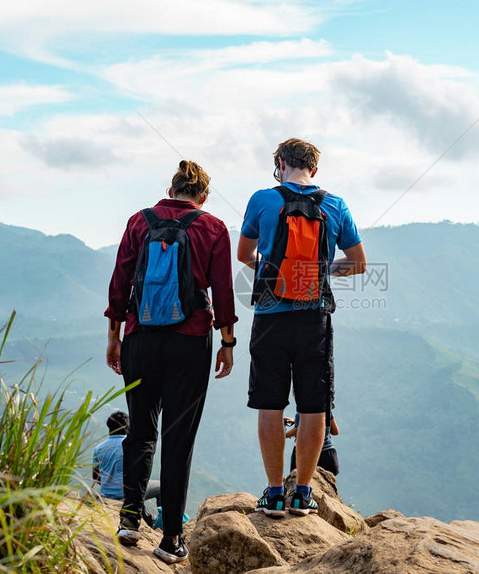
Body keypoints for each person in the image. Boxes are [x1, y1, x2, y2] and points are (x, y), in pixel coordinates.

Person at [105, 160, 238, 564]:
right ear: (202, 196)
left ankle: (129, 520)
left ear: (172, 188)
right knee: (178, 439)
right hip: (190, 341)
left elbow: (119, 282)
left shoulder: (138, 222)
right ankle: (171, 540)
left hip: (140, 337)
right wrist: (227, 341)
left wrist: (114, 337)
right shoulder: (213, 227)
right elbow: (224, 289)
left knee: (140, 430)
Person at [237, 138, 366, 518]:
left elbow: (244, 254)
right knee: (314, 406)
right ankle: (303, 494)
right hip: (315, 319)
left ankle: (275, 494)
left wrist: (274, 273)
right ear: (315, 169)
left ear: (280, 163)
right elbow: (358, 262)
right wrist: (321, 270)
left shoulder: (262, 199)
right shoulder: (335, 204)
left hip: (270, 318)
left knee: (269, 403)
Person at [92, 411, 160, 526]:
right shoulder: (131, 446)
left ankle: (147, 518)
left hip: (107, 493)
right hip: (129, 493)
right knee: (162, 486)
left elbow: (96, 477)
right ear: (128, 427)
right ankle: (161, 522)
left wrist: (111, 485)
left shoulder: (98, 448)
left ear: (109, 427)